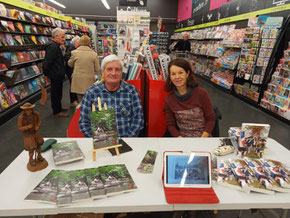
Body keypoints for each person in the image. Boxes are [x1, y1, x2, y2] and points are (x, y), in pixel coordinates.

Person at [79, 54, 144, 137]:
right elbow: (84, 123)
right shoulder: (92, 93)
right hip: (101, 143)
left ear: (121, 72)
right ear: (102, 72)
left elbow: (138, 119)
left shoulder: (131, 91)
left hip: (126, 141)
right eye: (109, 69)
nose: (113, 73)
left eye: (117, 70)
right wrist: (98, 140)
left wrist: (127, 139)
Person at [164, 58, 215, 137]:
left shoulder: (201, 93)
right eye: (173, 74)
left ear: (187, 74)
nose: (177, 77)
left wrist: (202, 139)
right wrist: (180, 139)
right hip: (183, 139)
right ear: (170, 77)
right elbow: (171, 125)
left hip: (204, 137)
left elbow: (211, 119)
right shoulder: (169, 100)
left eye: (180, 73)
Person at [43, 27, 68, 117]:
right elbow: (47, 61)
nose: (64, 39)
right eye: (62, 37)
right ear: (55, 37)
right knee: (55, 93)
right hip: (55, 74)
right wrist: (45, 73)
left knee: (58, 92)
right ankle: (56, 111)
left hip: (58, 73)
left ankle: (59, 107)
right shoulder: (53, 47)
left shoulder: (56, 46)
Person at [68, 35, 100, 103]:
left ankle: (81, 112)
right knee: (89, 100)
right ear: (89, 44)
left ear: (79, 43)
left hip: (78, 80)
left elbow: (70, 64)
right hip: (89, 81)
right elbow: (97, 69)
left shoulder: (74, 52)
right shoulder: (94, 54)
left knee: (80, 100)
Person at [64, 36, 80, 107]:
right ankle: (73, 101)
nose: (79, 44)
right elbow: (67, 58)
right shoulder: (71, 48)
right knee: (73, 85)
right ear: (74, 42)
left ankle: (75, 99)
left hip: (72, 69)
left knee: (75, 84)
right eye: (77, 43)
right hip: (70, 70)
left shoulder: (73, 48)